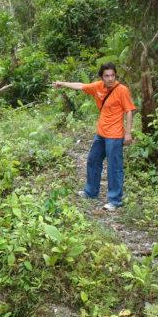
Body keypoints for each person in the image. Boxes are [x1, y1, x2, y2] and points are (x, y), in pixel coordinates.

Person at [53, 63, 136, 210]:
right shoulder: (98, 87)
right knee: (93, 160)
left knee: (114, 167)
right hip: (101, 133)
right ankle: (91, 192)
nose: (110, 79)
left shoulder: (122, 90)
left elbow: (129, 111)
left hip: (115, 135)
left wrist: (128, 133)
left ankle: (114, 200)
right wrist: (63, 83)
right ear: (101, 77)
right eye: (106, 76)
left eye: (112, 75)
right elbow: (81, 86)